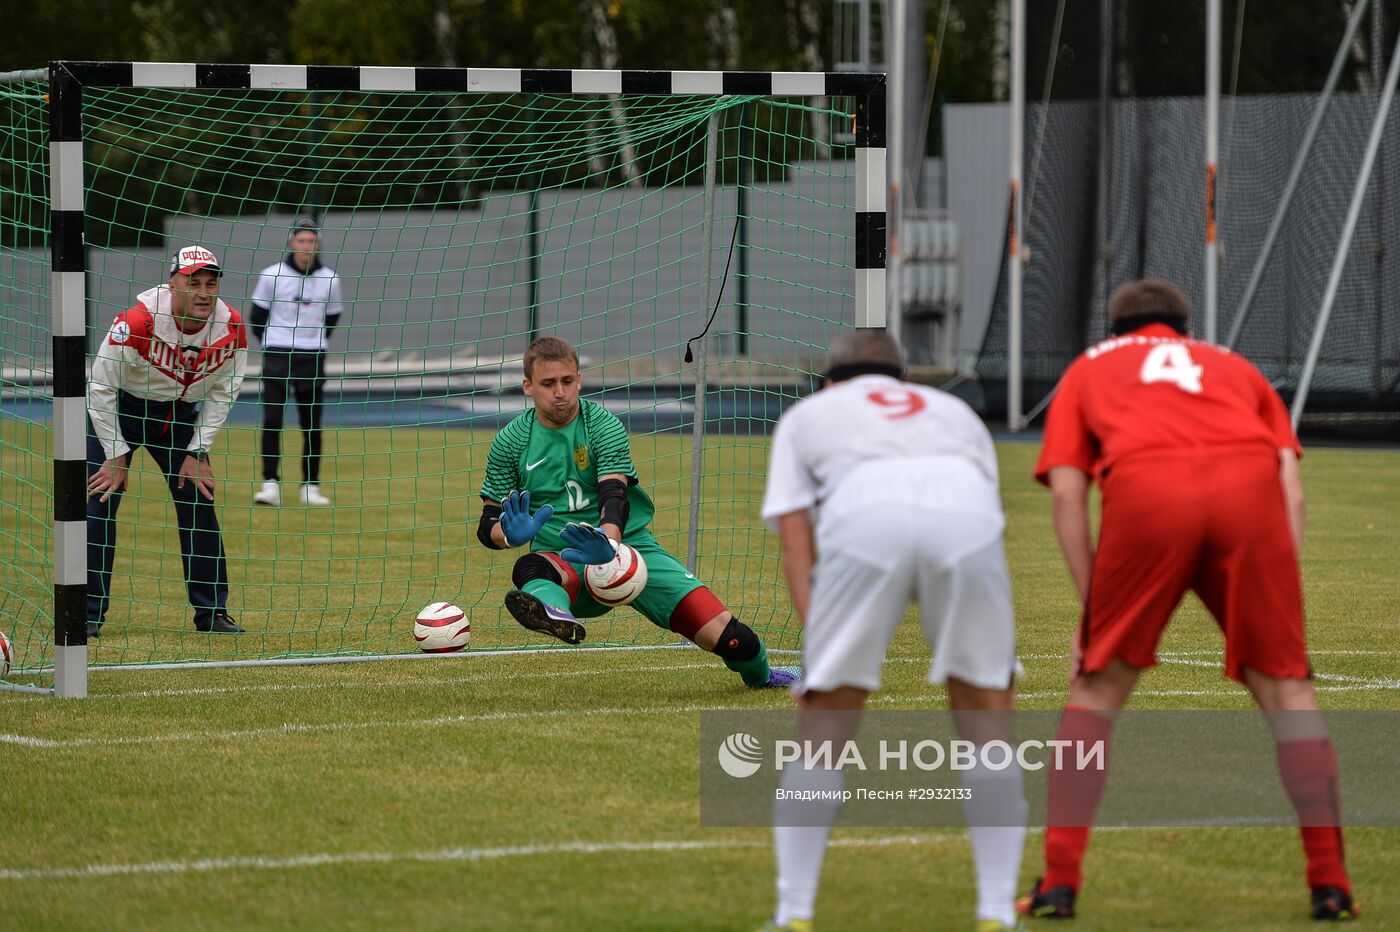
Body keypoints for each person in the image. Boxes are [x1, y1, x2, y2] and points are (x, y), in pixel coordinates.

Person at [1019, 280, 1357, 922]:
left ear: (1114, 331)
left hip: (1148, 494)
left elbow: (1068, 496)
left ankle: (1058, 884)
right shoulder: (1235, 366)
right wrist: (1277, 577)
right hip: (1250, 496)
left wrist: (1094, 614)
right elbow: (1292, 487)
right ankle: (1330, 883)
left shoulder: (1091, 367)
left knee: (1095, 693)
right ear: (1185, 325)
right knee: (1289, 694)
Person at [757, 330, 1026, 932]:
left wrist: (818, 653)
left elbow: (796, 538)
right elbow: (987, 510)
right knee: (986, 715)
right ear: (903, 382)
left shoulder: (809, 414)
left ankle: (793, 914)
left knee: (824, 725)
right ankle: (996, 914)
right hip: (966, 516)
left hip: (864, 511)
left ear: (832, 382)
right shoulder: (953, 411)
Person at [477, 336, 798, 689]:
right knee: (529, 566)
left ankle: (763, 675)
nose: (560, 392)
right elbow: (488, 523)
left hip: (630, 551)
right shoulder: (510, 441)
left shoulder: (601, 424)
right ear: (527, 386)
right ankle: (556, 614)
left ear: (579, 380)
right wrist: (508, 534)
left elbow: (614, 494)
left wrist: (609, 541)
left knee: (732, 637)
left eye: (568, 381)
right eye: (548, 383)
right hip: (562, 562)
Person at [86, 246, 248, 636]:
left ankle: (212, 614)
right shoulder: (135, 322)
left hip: (178, 420)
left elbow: (225, 391)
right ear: (173, 284)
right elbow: (100, 388)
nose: (204, 293)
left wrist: (198, 450)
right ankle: (86, 614)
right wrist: (115, 453)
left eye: (211, 283)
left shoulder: (233, 328)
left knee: (200, 500)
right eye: (193, 283)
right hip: (120, 411)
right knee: (98, 500)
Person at [249, 217, 344, 507]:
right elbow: (257, 317)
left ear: (318, 245)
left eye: (311, 241)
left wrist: (312, 339)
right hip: (277, 353)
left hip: (312, 355)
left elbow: (333, 316)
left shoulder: (331, 279)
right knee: (273, 421)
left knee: (312, 424)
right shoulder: (271, 275)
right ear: (292, 243)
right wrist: (275, 340)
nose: (306, 246)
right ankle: (270, 485)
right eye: (301, 241)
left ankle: (310, 487)